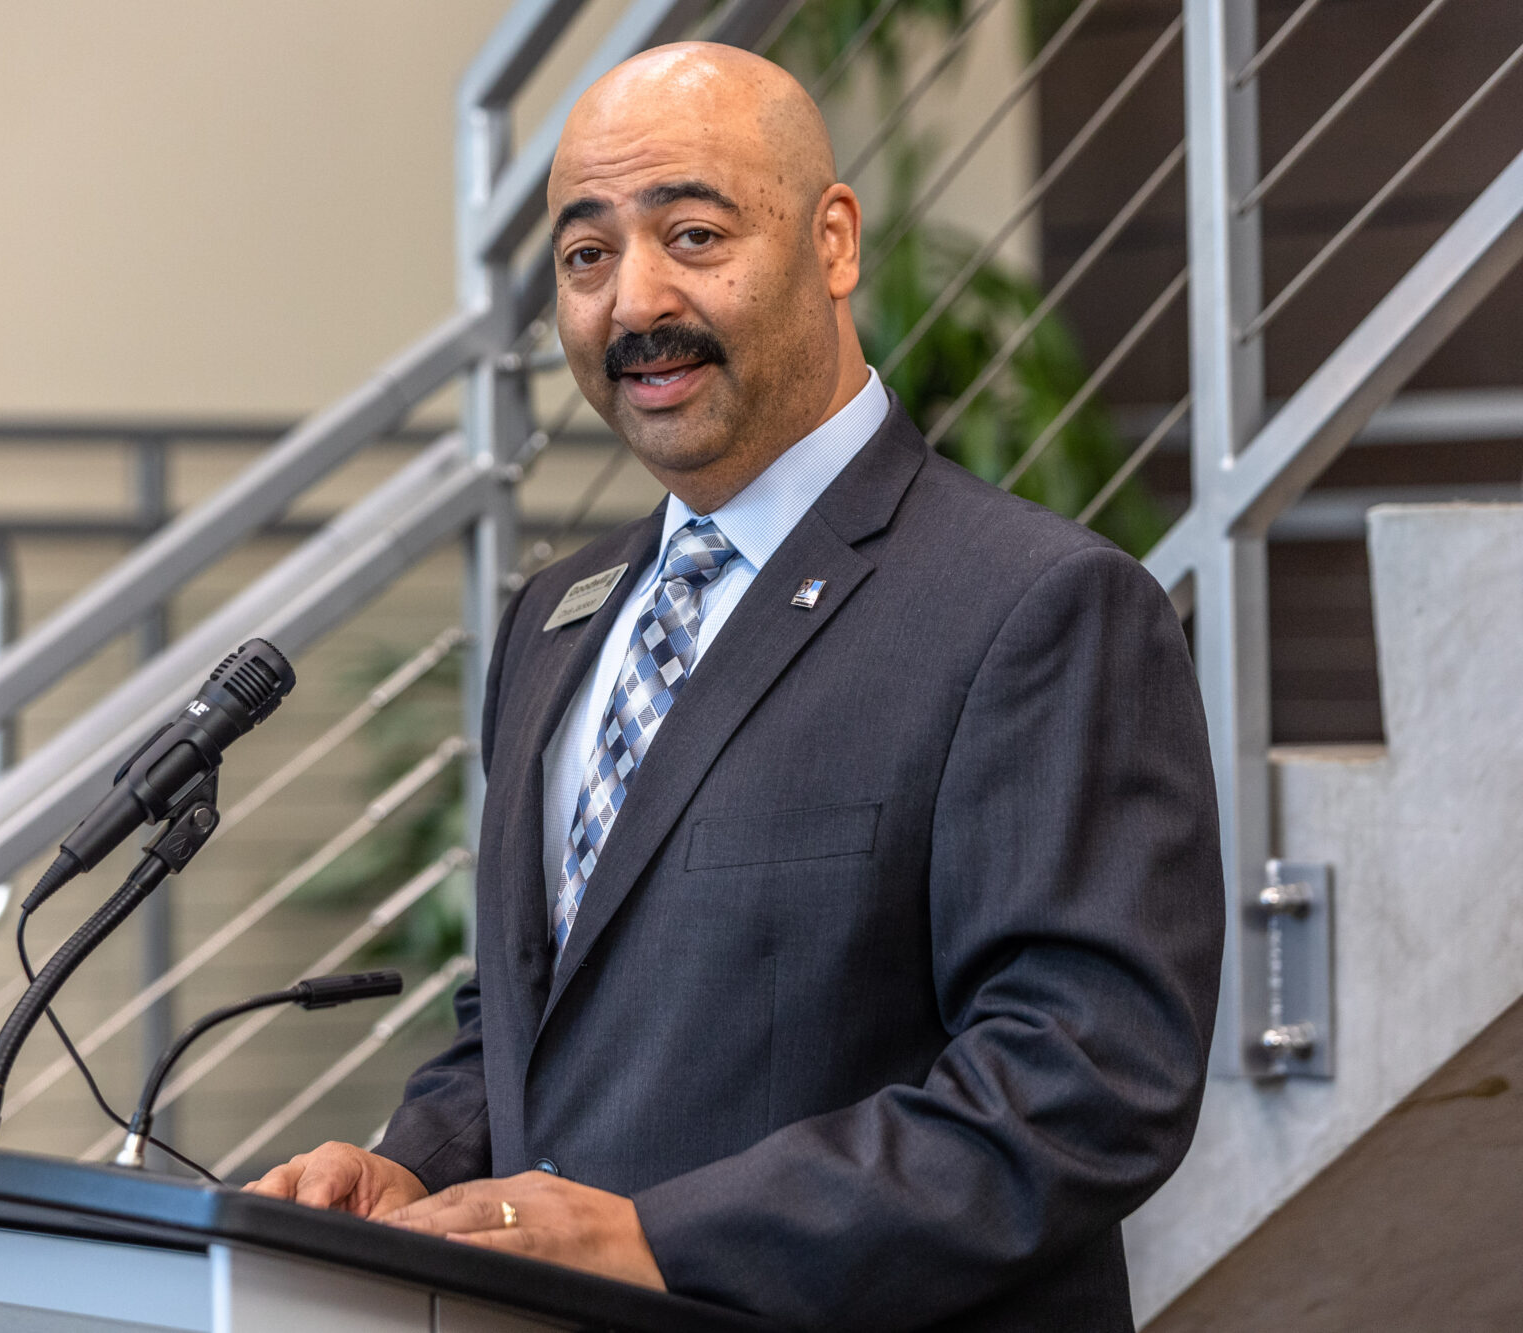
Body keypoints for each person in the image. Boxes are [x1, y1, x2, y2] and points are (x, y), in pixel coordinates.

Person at [246, 42, 1224, 1331]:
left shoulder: (1037, 606)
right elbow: (530, 1019)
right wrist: (416, 1167)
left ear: (831, 242)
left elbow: (1084, 1083)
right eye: (586, 256)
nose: (632, 302)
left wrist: (663, 1238)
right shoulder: (556, 617)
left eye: (693, 234)